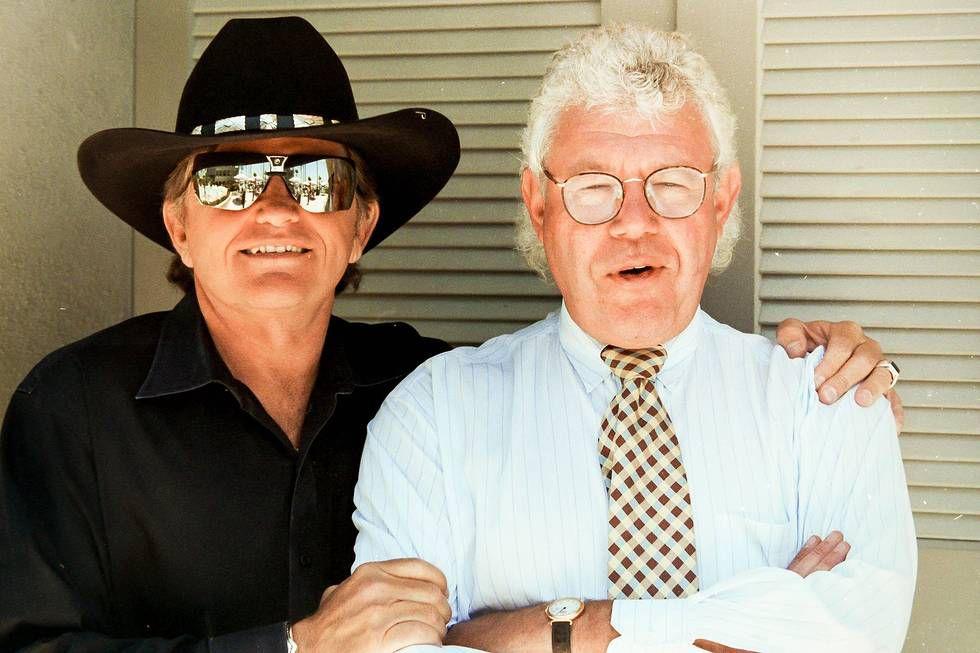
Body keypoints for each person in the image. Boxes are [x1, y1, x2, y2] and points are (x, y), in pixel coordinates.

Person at [0, 16, 896, 653]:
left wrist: (566, 630)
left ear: (360, 225)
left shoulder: (418, 383)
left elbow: (857, 628)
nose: (274, 211)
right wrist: (293, 646)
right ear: (177, 224)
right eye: (230, 183)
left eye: (316, 183)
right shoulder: (74, 409)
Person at [352, 25, 916, 653]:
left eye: (671, 184)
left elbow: (861, 635)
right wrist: (758, 616)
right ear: (538, 206)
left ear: (721, 201)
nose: (634, 224)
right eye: (594, 188)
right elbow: (395, 649)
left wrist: (532, 632)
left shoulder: (827, 399)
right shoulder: (433, 413)